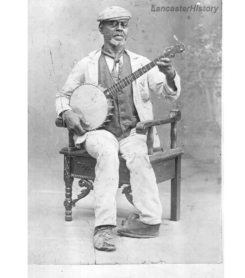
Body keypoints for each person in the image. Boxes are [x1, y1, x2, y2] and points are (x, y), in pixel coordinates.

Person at [55, 6, 181, 251]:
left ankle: (149, 222)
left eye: (123, 24)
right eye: (113, 24)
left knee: (139, 156)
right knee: (107, 153)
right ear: (101, 28)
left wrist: (169, 74)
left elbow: (168, 95)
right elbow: (63, 95)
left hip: (133, 131)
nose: (119, 29)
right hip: (98, 132)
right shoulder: (86, 64)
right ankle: (103, 228)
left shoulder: (141, 63)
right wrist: (67, 111)